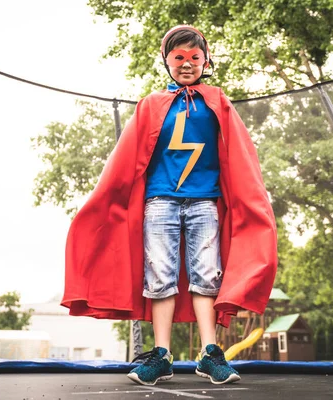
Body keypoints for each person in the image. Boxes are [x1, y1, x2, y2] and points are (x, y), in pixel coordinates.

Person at [61, 25, 277, 386]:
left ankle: (210, 354)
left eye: (194, 57)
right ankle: (161, 356)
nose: (187, 63)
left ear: (206, 61)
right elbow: (128, 160)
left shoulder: (218, 102)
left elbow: (238, 157)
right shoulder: (151, 104)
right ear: (167, 62)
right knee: (159, 275)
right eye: (179, 58)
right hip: (160, 201)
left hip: (204, 201)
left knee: (207, 274)